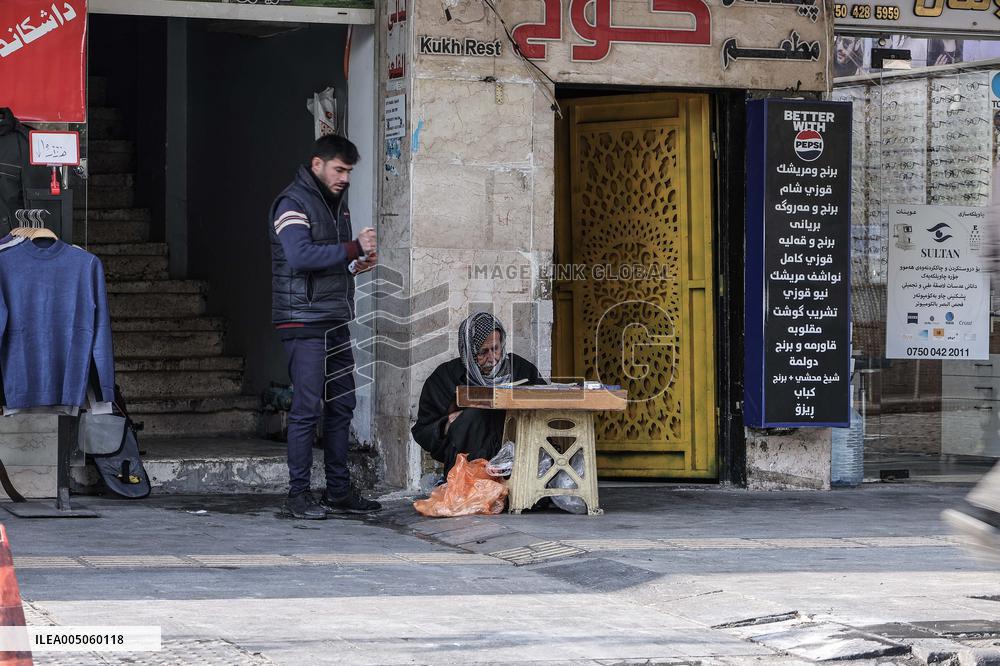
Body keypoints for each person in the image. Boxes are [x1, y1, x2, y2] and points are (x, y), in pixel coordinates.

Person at [269, 135, 381, 520]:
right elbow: (299, 256)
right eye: (339, 170)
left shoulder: (335, 205)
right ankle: (297, 495)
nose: (345, 178)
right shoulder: (291, 203)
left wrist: (355, 265)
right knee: (306, 408)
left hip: (333, 318)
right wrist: (353, 248)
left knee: (343, 404)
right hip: (302, 320)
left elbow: (327, 261)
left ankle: (338, 490)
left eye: (349, 171)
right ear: (317, 164)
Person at [412, 312, 544, 475]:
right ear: (468, 351)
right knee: (474, 414)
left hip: (517, 463)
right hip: (468, 471)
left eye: (495, 349)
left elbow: (544, 404)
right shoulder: (445, 378)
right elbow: (422, 432)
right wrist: (445, 426)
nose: (493, 358)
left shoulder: (520, 370)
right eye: (483, 352)